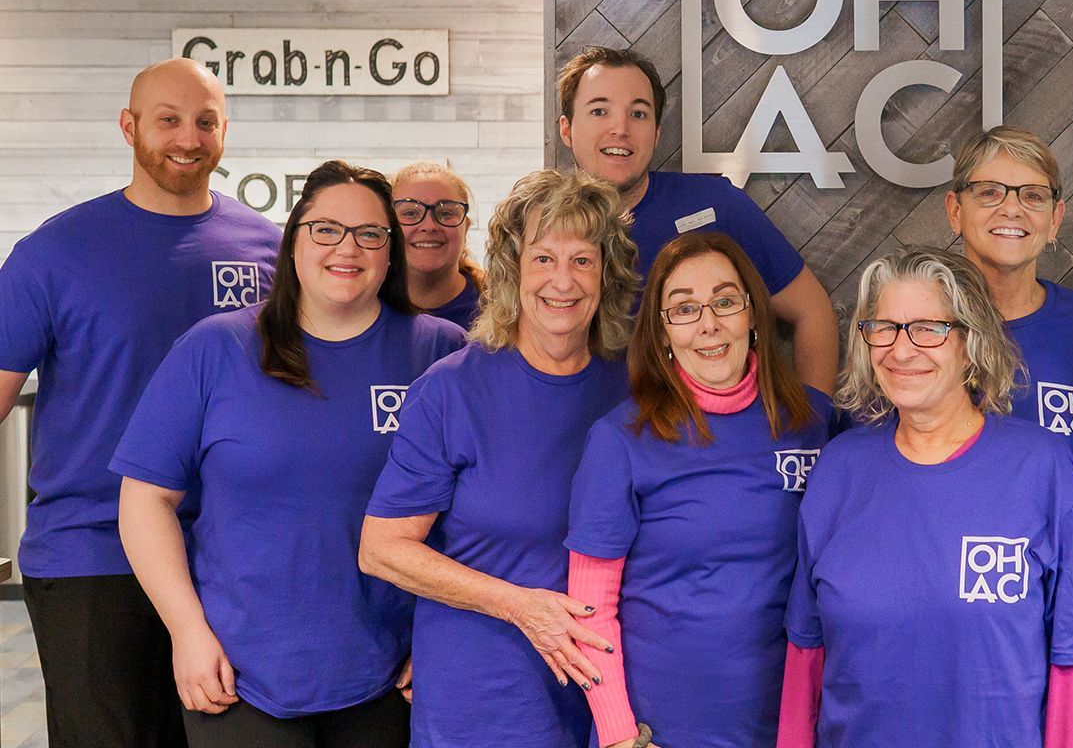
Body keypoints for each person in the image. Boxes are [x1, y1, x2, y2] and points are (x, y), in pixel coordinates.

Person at [111, 161, 464, 746]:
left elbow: (473, 514)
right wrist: (187, 631)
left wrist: (442, 637)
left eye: (370, 233)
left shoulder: (439, 354)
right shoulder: (214, 348)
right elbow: (146, 499)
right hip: (239, 673)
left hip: (390, 673)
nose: (346, 248)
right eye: (325, 229)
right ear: (294, 241)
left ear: (391, 250)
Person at [0, 58, 280, 748]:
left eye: (205, 121)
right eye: (168, 120)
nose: (188, 137)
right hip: (93, 556)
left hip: (232, 557)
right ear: (129, 128)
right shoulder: (54, 253)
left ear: (225, 132)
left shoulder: (270, 250)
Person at [777, 247, 1073, 748]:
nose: (901, 349)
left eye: (927, 328)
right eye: (884, 327)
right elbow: (805, 656)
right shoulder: (839, 469)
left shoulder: (1042, 469)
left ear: (970, 343)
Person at [360, 170, 639, 748]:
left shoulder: (633, 388)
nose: (563, 280)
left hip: (608, 697)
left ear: (606, 273)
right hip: (484, 698)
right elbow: (382, 550)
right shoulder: (452, 390)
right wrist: (519, 607)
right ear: (512, 271)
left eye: (583, 260)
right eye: (543, 259)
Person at [563, 230, 832, 748]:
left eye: (725, 301)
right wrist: (621, 737)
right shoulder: (622, 440)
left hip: (791, 724)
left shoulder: (815, 422)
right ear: (662, 332)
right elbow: (590, 604)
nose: (708, 324)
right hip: (659, 730)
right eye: (684, 309)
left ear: (753, 314)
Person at [556, 46, 840, 391]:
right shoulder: (543, 228)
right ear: (567, 130)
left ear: (657, 133)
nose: (620, 128)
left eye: (639, 114)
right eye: (600, 111)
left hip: (708, 436)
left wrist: (816, 428)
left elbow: (812, 311)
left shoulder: (716, 205)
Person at [946, 126, 1073, 449]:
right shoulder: (913, 328)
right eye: (989, 192)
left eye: (1033, 196)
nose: (1012, 209)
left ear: (1055, 220)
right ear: (955, 211)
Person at [391, 161, 486, 330]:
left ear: (466, 228)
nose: (429, 226)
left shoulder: (504, 310)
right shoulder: (363, 309)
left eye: (446, 213)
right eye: (410, 213)